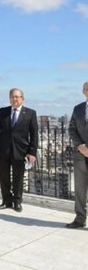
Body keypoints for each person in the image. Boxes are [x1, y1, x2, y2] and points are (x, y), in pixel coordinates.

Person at [0, 88, 38, 213]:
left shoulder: (30, 113)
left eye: (17, 97)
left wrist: (32, 152)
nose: (14, 99)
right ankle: (6, 201)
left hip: (20, 151)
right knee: (4, 177)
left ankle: (17, 202)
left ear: (23, 98)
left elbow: (34, 134)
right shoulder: (3, 111)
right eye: (12, 97)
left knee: (18, 178)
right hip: (4, 150)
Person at [66, 81, 88, 229]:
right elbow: (72, 128)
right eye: (86, 89)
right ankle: (80, 218)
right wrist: (81, 146)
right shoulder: (78, 108)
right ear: (83, 91)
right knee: (80, 188)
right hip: (80, 154)